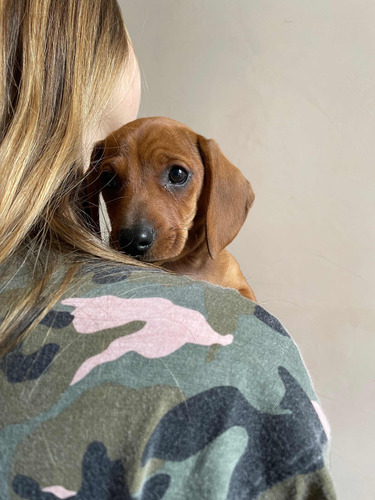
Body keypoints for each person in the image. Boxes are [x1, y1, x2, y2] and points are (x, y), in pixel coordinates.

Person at [0, 1, 336, 499]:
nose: (136, 220)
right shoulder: (249, 357)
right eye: (112, 182)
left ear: (216, 192)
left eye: (175, 176)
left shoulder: (231, 297)